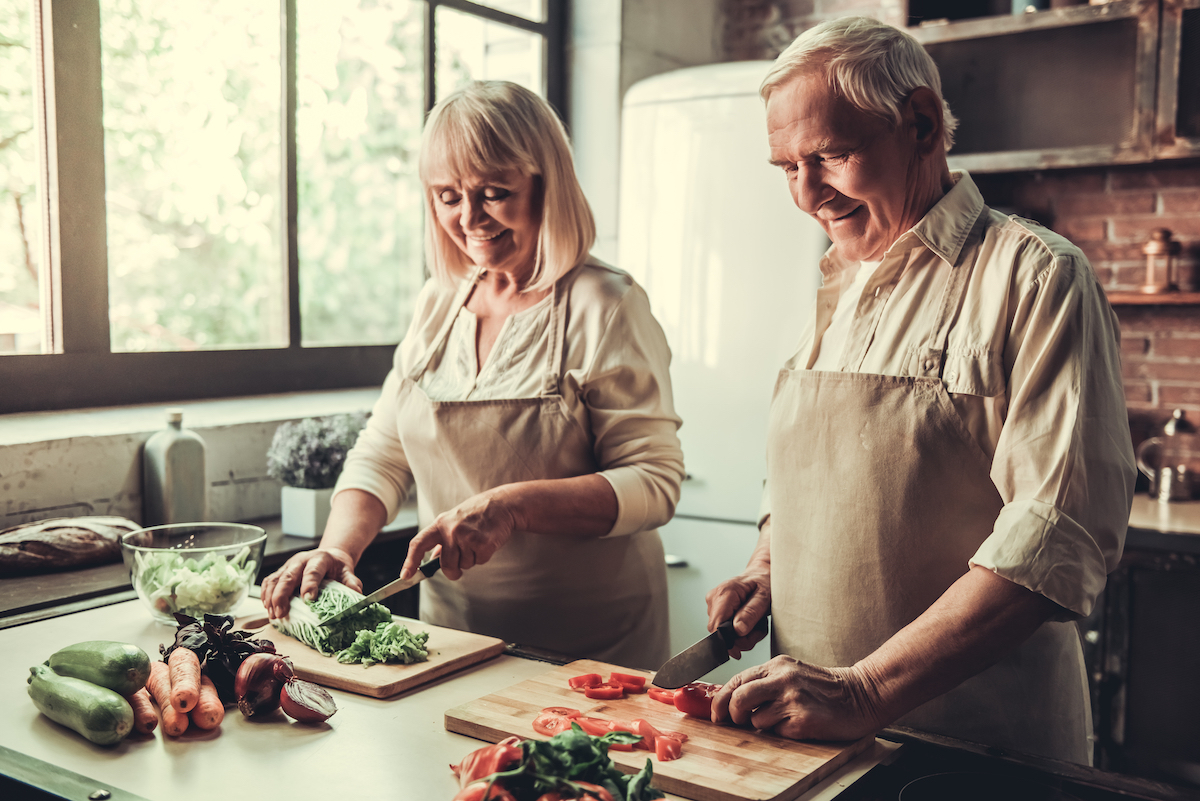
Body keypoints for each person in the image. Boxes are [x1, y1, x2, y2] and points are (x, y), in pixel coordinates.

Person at [703, 17, 1135, 764]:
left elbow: (1058, 533)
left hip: (977, 748)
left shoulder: (1036, 277)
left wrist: (865, 690)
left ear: (923, 125)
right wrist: (768, 562)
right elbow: (822, 475)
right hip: (815, 745)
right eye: (785, 167)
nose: (807, 195)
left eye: (831, 155)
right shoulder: (835, 284)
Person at [261, 81, 685, 670]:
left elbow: (654, 484)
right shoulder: (439, 304)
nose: (469, 218)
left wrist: (514, 506)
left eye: (493, 192)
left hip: (592, 651)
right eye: (447, 196)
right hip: (453, 639)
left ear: (546, 184)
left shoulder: (606, 304)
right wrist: (338, 547)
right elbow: (382, 454)